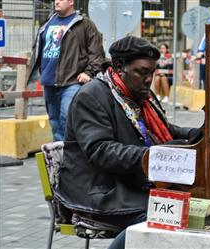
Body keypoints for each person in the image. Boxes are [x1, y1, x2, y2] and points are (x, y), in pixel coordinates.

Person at [55, 36, 201, 249]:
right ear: (120, 67)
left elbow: (167, 130)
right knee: (162, 212)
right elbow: (100, 150)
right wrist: (152, 155)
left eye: (152, 73)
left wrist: (199, 135)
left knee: (191, 201)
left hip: (130, 181)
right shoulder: (92, 96)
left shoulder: (142, 95)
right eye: (142, 72)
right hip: (100, 188)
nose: (149, 79)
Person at [27, 0, 104, 141]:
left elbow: (97, 53)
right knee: (55, 123)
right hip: (49, 81)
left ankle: (72, 155)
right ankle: (60, 157)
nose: (56, 1)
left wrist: (89, 73)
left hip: (72, 81)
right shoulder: (47, 23)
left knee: (68, 119)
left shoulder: (84, 24)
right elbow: (38, 50)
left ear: (71, 2)